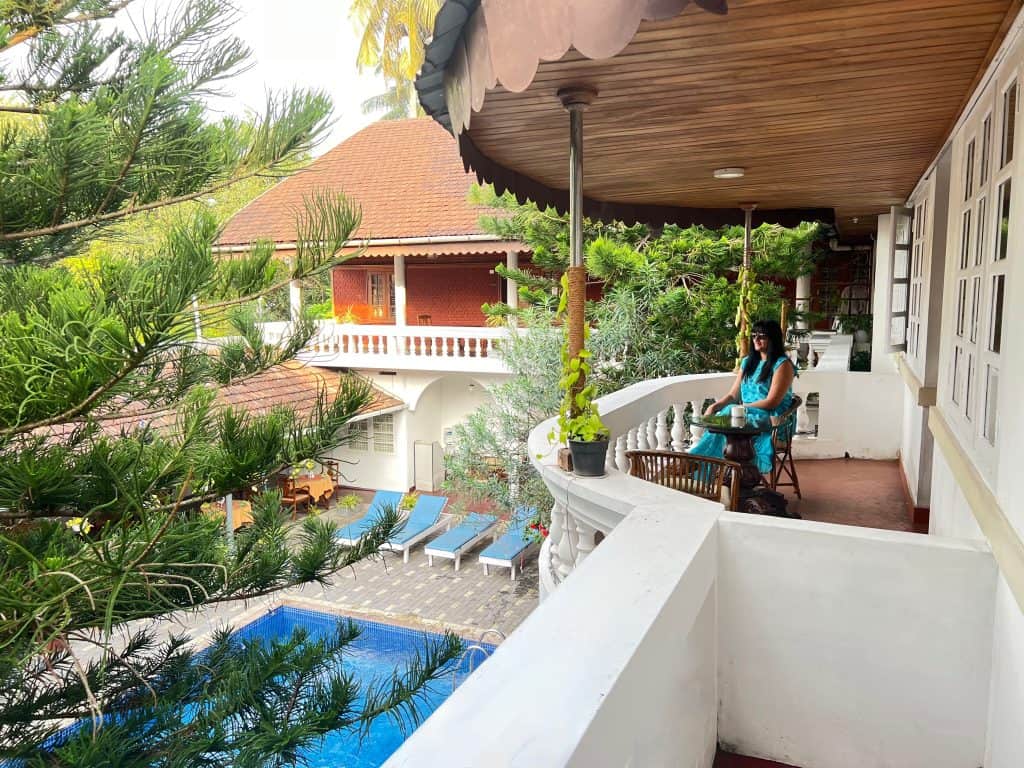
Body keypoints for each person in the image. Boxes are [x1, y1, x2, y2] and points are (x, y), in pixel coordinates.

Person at [689, 319, 796, 473]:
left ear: (772, 338)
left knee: (728, 419)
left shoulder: (782, 365)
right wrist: (714, 406)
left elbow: (772, 402)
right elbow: (733, 394)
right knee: (726, 418)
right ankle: (704, 467)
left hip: (772, 420)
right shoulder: (748, 362)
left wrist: (742, 408)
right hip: (744, 418)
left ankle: (696, 461)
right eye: (754, 336)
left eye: (762, 336)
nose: (756, 340)